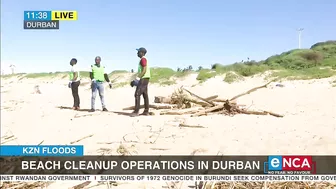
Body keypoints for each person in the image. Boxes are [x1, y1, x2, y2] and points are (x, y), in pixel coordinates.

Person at [130, 47, 151, 116]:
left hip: (143, 78)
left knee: (137, 94)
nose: (137, 53)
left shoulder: (143, 59)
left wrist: (138, 78)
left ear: (142, 53)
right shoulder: (143, 59)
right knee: (145, 95)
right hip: (146, 78)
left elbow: (144, 70)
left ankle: (136, 111)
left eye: (138, 52)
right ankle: (146, 111)